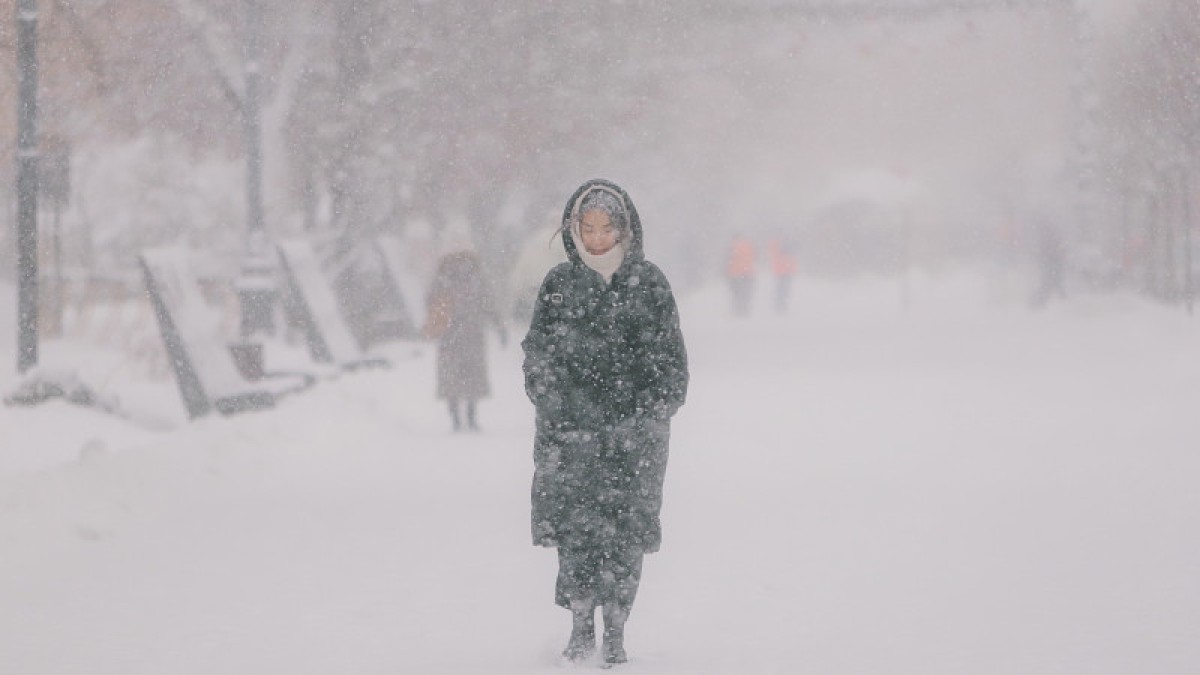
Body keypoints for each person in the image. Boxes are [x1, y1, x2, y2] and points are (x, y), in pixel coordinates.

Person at [521, 179, 689, 665]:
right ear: (574, 230)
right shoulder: (559, 284)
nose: (596, 238)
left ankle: (616, 626)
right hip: (571, 435)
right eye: (587, 228)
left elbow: (669, 359)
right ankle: (578, 622)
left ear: (624, 229)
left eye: (605, 228)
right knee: (577, 531)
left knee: (624, 531)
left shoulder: (649, 282)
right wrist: (555, 403)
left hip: (634, 437)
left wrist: (650, 412)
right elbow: (539, 354)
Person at [423, 239, 504, 431]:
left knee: (451, 375)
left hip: (449, 334)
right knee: (472, 374)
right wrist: (499, 326)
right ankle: (471, 415)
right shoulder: (476, 276)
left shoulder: (442, 275)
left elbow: (429, 300)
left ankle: (455, 418)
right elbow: (488, 302)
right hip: (472, 331)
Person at [726, 234, 756, 316]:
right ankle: (745, 310)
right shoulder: (748, 245)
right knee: (746, 293)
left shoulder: (731, 246)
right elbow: (755, 256)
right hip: (747, 273)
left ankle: (737, 311)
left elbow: (727, 260)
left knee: (736, 294)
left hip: (734, 274)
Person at [767, 236, 798, 312]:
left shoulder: (777, 249)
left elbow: (772, 251)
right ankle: (782, 306)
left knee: (781, 290)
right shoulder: (787, 252)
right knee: (783, 291)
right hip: (785, 273)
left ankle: (780, 305)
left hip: (781, 273)